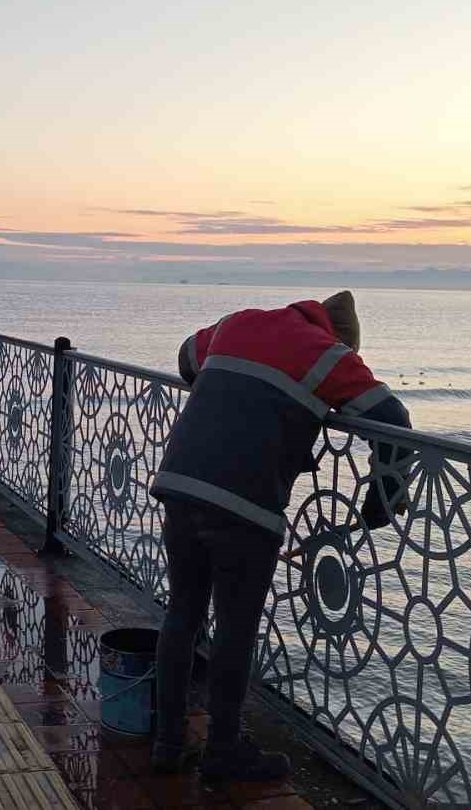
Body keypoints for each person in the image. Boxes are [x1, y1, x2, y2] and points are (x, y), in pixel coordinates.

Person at [149, 290, 413, 782]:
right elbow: (392, 421)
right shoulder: (329, 356)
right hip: (244, 506)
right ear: (343, 339)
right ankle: (223, 751)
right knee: (234, 628)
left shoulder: (238, 321)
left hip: (180, 483)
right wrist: (379, 503)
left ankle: (167, 742)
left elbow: (186, 357)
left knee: (182, 611)